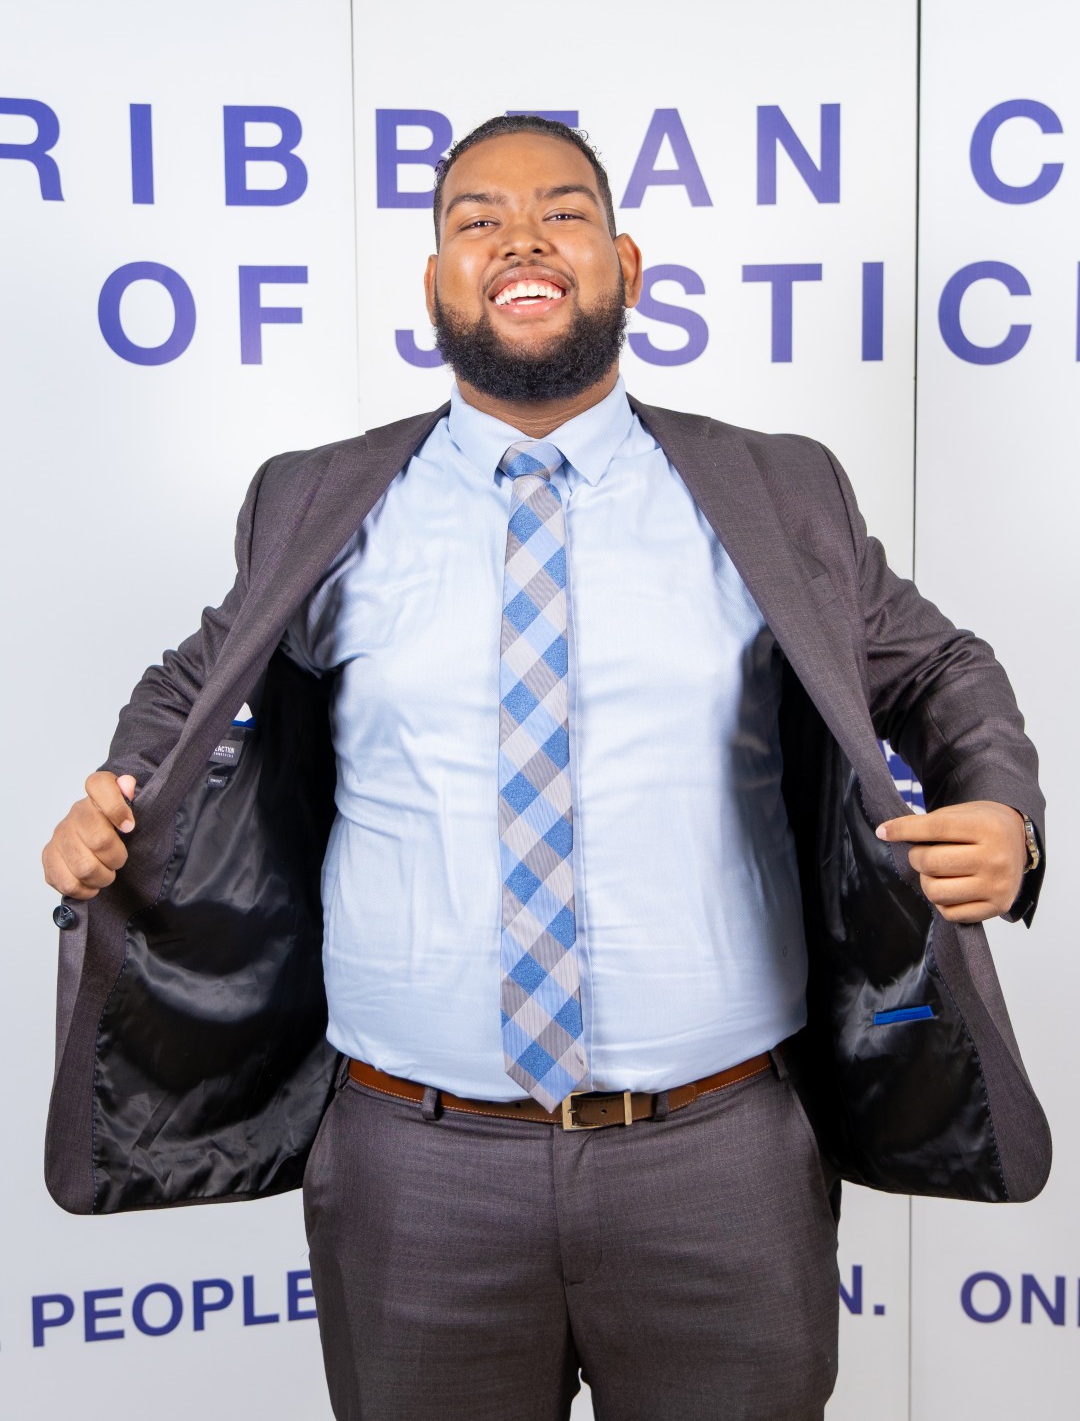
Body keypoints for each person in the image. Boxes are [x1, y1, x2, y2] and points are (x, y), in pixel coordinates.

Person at [42, 115, 1048, 1421]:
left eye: (563, 212)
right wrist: (118, 794)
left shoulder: (776, 489)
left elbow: (937, 664)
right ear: (435, 283)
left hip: (722, 1162)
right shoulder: (315, 499)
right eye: (477, 220)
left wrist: (1003, 809)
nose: (521, 239)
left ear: (625, 263)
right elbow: (192, 683)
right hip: (414, 1171)